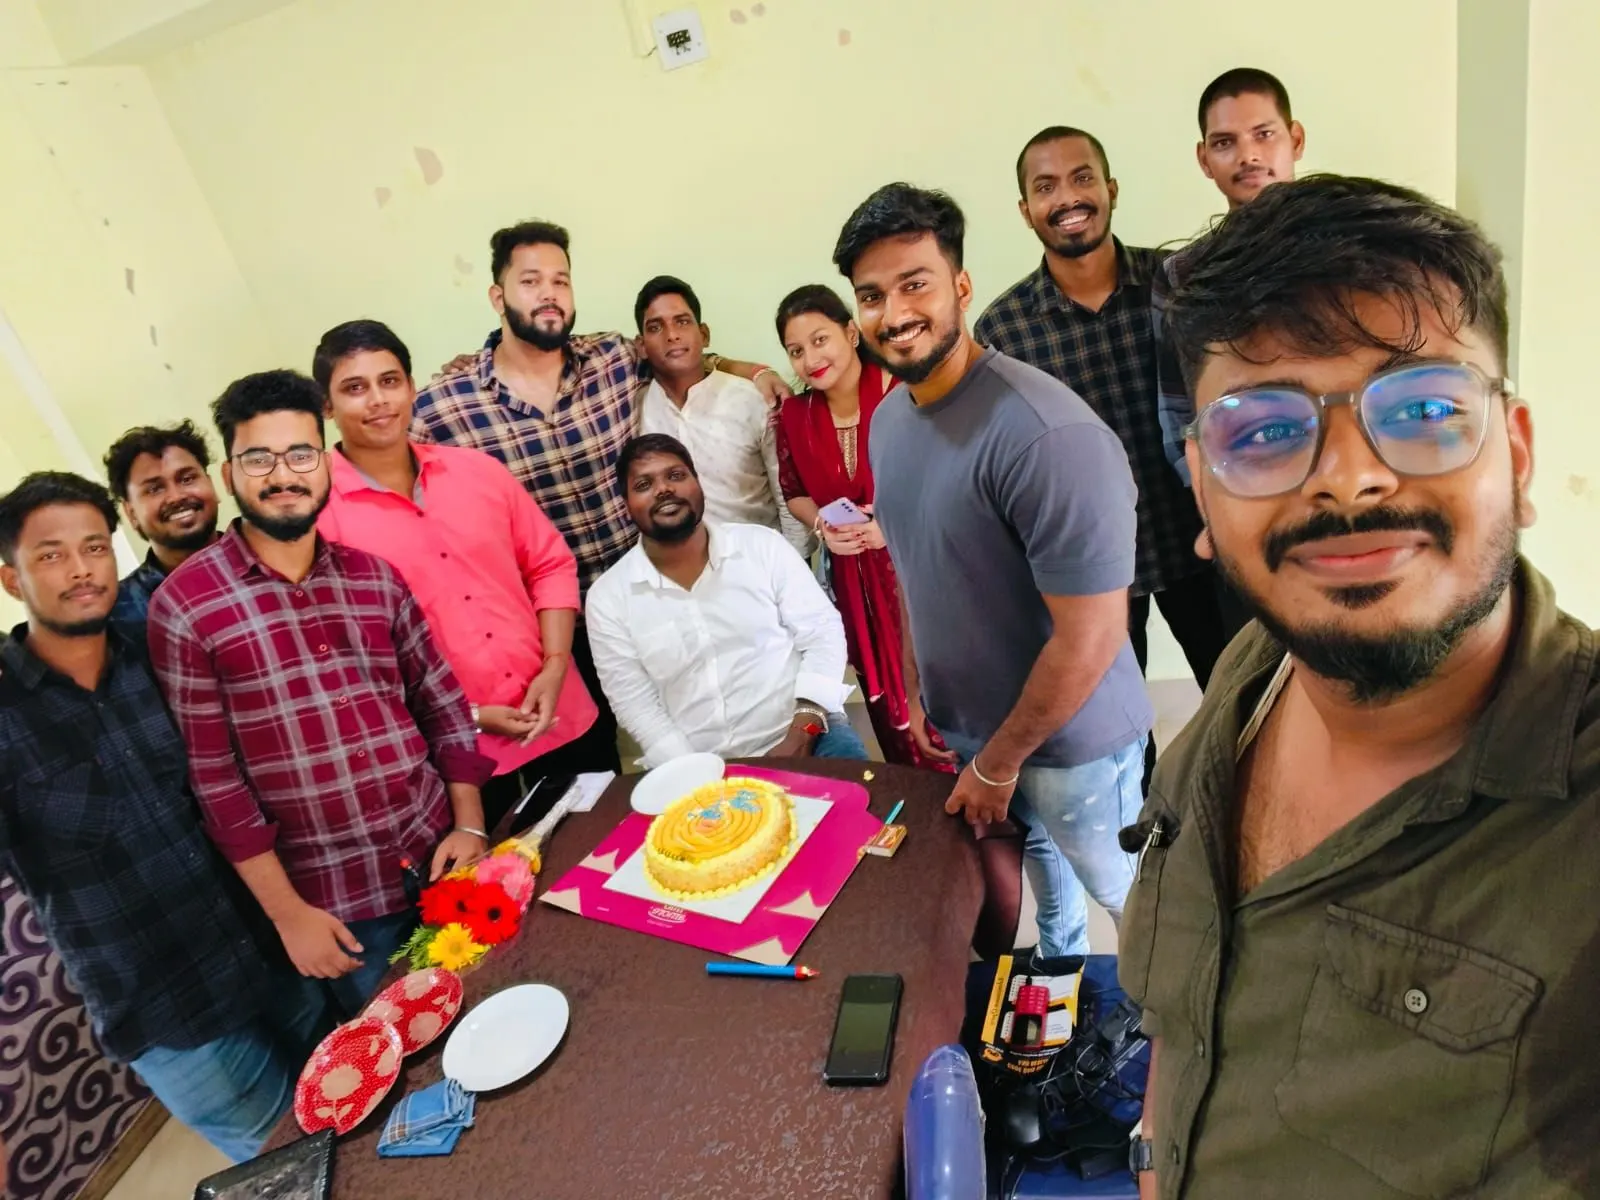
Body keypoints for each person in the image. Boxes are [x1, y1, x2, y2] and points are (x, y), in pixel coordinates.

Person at [1122, 175, 1597, 1199]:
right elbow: (1184, 1021)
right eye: (1262, 432)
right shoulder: (1254, 673)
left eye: (1423, 408)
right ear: (1201, 490)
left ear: (1515, 458)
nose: (1347, 477)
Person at [834, 183, 1151, 960]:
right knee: (1043, 867)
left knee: (1128, 896)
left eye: (915, 284)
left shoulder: (1047, 436)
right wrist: (917, 687)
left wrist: (998, 764)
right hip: (977, 731)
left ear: (962, 286)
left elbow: (1092, 635)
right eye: (872, 296)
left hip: (1073, 747)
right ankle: (1060, 965)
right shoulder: (890, 421)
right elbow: (917, 565)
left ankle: (1165, 1023)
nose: (894, 313)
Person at [0, 472, 327, 1162]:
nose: (82, 569)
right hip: (176, 1019)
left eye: (94, 547)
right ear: (11, 580)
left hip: (275, 957)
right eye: (52, 555)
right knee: (295, 1173)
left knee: (364, 1109)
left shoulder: (161, 650)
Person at [146, 370, 494, 1017]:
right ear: (229, 475)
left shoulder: (375, 579)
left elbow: (441, 702)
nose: (284, 475)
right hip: (340, 908)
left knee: (499, 1000)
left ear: (326, 463)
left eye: (301, 454)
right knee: (404, 1049)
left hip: (443, 851)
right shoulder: (186, 607)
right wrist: (288, 916)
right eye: (259, 458)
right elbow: (215, 782)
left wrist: (470, 821)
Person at [412, 221, 793, 773]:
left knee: (695, 741)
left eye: (560, 281)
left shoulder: (611, 358)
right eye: (530, 281)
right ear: (497, 297)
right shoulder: (447, 405)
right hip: (547, 633)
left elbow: (682, 352)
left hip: (643, 601)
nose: (548, 294)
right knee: (581, 778)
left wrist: (753, 370)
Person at [313, 320, 604, 832]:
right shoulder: (322, 521)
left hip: (559, 714)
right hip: (456, 758)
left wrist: (557, 664)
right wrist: (467, 714)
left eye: (389, 381)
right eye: (355, 388)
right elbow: (348, 660)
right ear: (327, 407)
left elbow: (550, 564)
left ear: (411, 387)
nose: (378, 400)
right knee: (496, 878)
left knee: (604, 849)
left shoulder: (477, 471)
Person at [977, 126, 1225, 688]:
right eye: (1046, 187)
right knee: (1116, 729)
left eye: (1082, 177)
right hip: (1092, 568)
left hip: (1200, 537)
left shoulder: (1179, 285)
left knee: (1241, 700)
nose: (1067, 198)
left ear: (1111, 188)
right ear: (1026, 210)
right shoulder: (1004, 331)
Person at [587, 434, 867, 767]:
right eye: (644, 484)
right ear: (625, 505)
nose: (663, 489)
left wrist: (801, 734)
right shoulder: (609, 598)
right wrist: (696, 774)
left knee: (868, 795)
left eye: (675, 475)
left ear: (699, 484)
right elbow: (634, 702)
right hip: (699, 763)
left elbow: (823, 635)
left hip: (809, 734)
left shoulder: (762, 547)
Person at [1154, 69, 1305, 644]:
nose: (1248, 156)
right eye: (1225, 142)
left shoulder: (1354, 251)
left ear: (1295, 138)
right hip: (1242, 510)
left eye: (1264, 135)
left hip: (1338, 496)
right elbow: (1178, 412)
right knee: (1256, 667)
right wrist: (1214, 504)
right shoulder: (1183, 275)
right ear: (1204, 159)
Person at [774, 283, 950, 770]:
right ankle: (916, 793)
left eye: (820, 339)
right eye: (795, 350)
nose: (810, 359)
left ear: (851, 333)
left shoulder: (905, 394)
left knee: (939, 691)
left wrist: (893, 527)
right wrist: (823, 527)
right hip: (856, 582)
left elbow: (946, 477)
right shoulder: (795, 415)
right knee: (888, 710)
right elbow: (794, 491)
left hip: (921, 571)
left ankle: (970, 797)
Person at [635, 275, 808, 554]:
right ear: (641, 346)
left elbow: (789, 495)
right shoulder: (633, 410)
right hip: (676, 571)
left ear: (704, 334)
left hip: (758, 564)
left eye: (682, 321)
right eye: (655, 327)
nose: (671, 335)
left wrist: (791, 566)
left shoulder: (753, 400)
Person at [103, 420, 221, 624]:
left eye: (187, 479)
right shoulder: (121, 616)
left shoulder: (268, 561)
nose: (176, 497)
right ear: (131, 513)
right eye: (154, 489)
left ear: (211, 484)